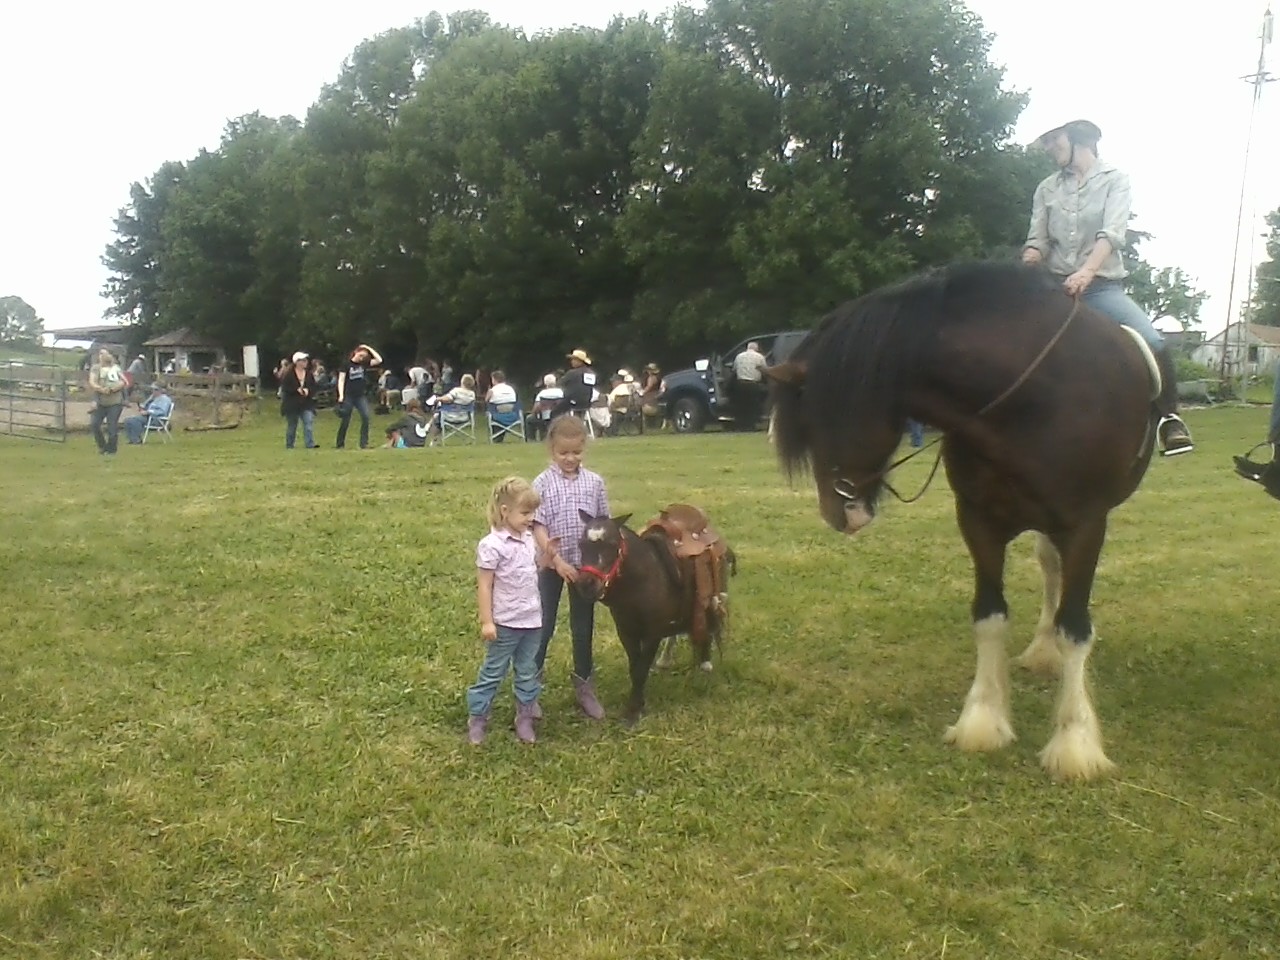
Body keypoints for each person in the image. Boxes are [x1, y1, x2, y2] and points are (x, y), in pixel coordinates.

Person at [1023, 118, 1192, 456]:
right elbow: (1038, 240)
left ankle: (1169, 419)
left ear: (1078, 138)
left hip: (1101, 288)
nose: (1047, 147)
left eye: (1053, 138)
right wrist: (1026, 267)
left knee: (1152, 338)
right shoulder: (1046, 188)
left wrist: (1087, 272)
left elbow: (1112, 234)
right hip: (1055, 287)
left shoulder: (1116, 180)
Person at [532, 414, 611, 720]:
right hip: (551, 565)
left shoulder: (594, 483)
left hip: (584, 570)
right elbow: (536, 526)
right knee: (543, 625)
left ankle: (584, 686)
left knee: (582, 627)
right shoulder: (542, 482)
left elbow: (603, 524)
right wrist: (557, 561)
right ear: (552, 450)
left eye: (576, 452)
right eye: (563, 453)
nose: (570, 458)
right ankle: (529, 688)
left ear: (584, 449)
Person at [466, 476, 545, 745]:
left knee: (527, 671)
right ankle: (478, 717)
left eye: (532, 512)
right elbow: (485, 586)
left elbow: (533, 570)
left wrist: (547, 557)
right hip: (505, 623)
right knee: (492, 671)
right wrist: (487, 621)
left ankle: (525, 716)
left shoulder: (529, 539)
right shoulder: (492, 545)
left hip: (532, 621)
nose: (530, 518)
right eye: (525, 513)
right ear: (504, 511)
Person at [335, 343, 383, 449]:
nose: (361, 358)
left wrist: (368, 348)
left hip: (360, 395)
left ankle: (364, 443)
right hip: (348, 395)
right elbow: (341, 380)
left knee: (366, 417)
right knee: (346, 419)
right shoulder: (346, 364)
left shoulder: (364, 363)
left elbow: (379, 360)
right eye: (360, 355)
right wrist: (341, 395)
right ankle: (340, 443)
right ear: (355, 352)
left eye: (364, 356)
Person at [88, 348, 128, 455]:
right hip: (101, 401)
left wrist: (112, 389)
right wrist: (101, 389)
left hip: (115, 401)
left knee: (112, 426)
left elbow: (123, 382)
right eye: (100, 354)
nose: (102, 356)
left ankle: (111, 449)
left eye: (104, 354)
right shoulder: (96, 368)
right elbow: (92, 382)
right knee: (94, 424)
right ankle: (102, 446)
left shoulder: (116, 368)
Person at [424, 373, 477, 444]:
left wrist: (438, 398)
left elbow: (447, 399)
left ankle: (433, 439)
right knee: (438, 413)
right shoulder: (472, 394)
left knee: (437, 416)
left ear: (462, 382)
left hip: (450, 416)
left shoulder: (456, 391)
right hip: (464, 417)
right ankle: (429, 426)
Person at [280, 351, 318, 449]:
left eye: (306, 360)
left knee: (308, 423)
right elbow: (285, 388)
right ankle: (290, 445)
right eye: (303, 360)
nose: (305, 362)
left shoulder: (309, 374)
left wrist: (308, 391)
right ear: (297, 362)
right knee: (292, 425)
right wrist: (296, 390)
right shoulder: (288, 374)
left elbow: (314, 387)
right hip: (292, 404)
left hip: (306, 404)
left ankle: (310, 444)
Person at [731, 341, 768, 430]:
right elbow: (765, 371)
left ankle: (741, 425)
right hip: (753, 385)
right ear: (756, 348)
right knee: (752, 406)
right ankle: (751, 426)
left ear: (747, 348)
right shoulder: (760, 357)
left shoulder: (739, 356)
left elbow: (734, 370)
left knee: (741, 406)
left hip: (740, 384)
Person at [552, 349, 597, 418]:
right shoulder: (592, 373)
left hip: (572, 402)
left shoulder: (572, 373)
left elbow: (560, 383)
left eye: (574, 359)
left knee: (554, 412)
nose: (571, 361)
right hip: (586, 403)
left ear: (580, 361)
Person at [527, 373, 563, 441]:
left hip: (544, 418)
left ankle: (531, 440)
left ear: (545, 383)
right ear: (555, 382)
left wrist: (534, 413)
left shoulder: (542, 393)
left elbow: (536, 408)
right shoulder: (561, 392)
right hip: (559, 417)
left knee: (529, 419)